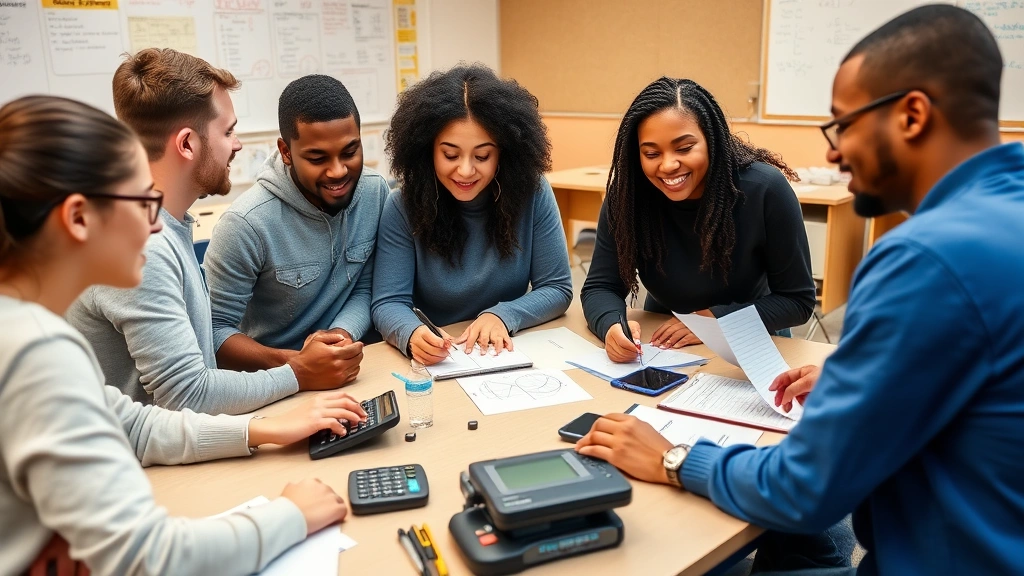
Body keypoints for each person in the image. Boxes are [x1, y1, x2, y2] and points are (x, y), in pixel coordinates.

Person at [576, 5, 1024, 575]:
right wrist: (856, 376)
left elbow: (806, 488)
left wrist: (672, 458)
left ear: (912, 114)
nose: (833, 154)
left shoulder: (924, 261)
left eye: (843, 125)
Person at [0, 95, 361, 575]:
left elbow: (133, 425)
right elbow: (153, 557)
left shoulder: (27, 327)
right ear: (79, 217)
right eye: (144, 200)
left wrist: (262, 429)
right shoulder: (34, 350)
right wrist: (291, 514)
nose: (156, 223)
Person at [66, 49, 354, 415]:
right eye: (228, 131)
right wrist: (297, 372)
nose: (237, 144)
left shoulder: (158, 223)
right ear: (187, 144)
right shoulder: (140, 247)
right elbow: (187, 396)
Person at [580, 77, 815, 363]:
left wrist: (715, 321)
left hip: (749, 335)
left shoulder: (765, 189)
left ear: (712, 141)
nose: (667, 165)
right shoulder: (628, 197)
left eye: (684, 148)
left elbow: (797, 301)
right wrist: (611, 325)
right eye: (651, 153)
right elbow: (600, 286)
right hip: (664, 341)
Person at [371, 64, 573, 365]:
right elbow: (388, 302)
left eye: (482, 156)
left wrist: (503, 315)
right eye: (450, 155)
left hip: (505, 353)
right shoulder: (402, 206)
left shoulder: (533, 192)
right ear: (427, 150)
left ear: (504, 153)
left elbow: (557, 287)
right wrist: (412, 333)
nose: (465, 170)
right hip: (442, 359)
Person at [205, 74, 389, 378]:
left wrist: (340, 335)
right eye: (317, 158)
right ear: (286, 151)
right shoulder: (246, 224)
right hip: (274, 380)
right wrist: (297, 364)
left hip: (352, 368)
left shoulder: (374, 192)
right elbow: (212, 332)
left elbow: (367, 285)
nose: (338, 171)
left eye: (350, 151)